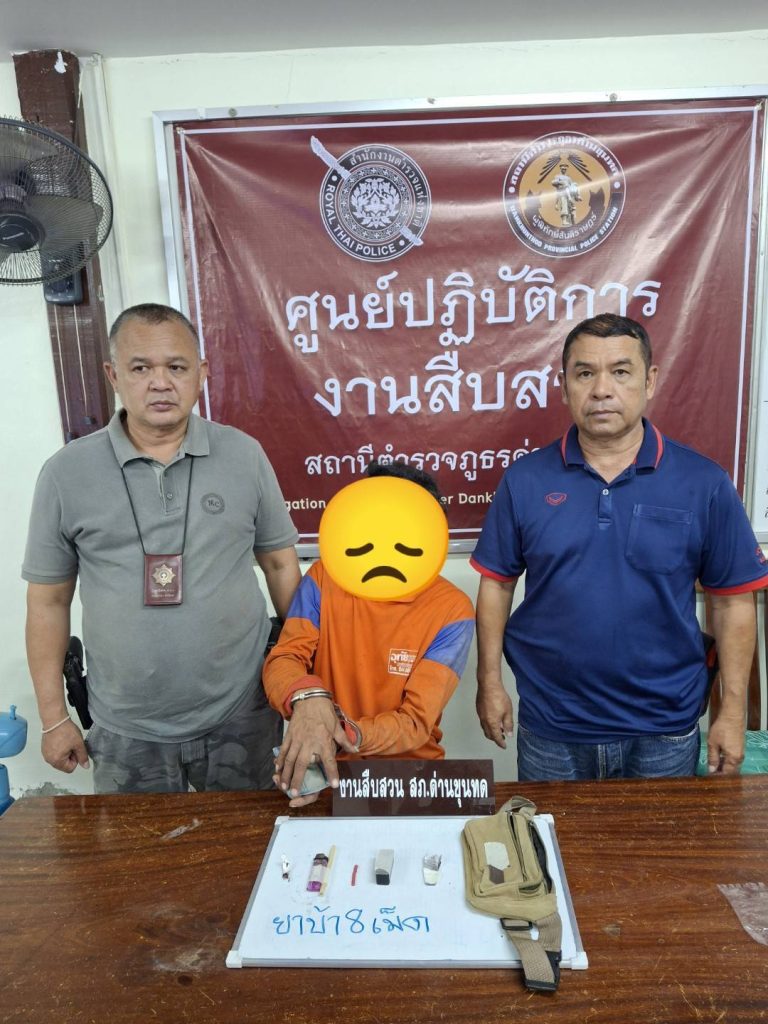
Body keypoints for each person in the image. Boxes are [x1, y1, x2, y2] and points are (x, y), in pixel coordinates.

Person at [472, 312, 768, 781]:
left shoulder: (703, 483)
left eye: (621, 372)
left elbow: (732, 601)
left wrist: (731, 714)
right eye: (585, 373)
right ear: (564, 386)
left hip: (664, 729)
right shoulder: (525, 481)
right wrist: (488, 682)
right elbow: (497, 587)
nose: (602, 390)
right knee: (550, 834)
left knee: (660, 836)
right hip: (552, 727)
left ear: (649, 381)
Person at [23, 303, 301, 793]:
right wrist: (53, 718)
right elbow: (48, 601)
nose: (160, 383)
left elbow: (280, 566)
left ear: (202, 374)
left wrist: (306, 689)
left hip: (243, 712)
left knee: (250, 840)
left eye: (176, 367)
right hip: (124, 727)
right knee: (137, 847)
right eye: (140, 368)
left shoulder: (245, 456)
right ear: (113, 375)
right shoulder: (66, 473)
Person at [263, 461, 475, 806]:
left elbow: (415, 723)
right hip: (326, 774)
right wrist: (307, 699)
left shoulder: (453, 609)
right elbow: (286, 657)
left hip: (410, 779)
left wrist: (340, 732)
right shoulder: (322, 578)